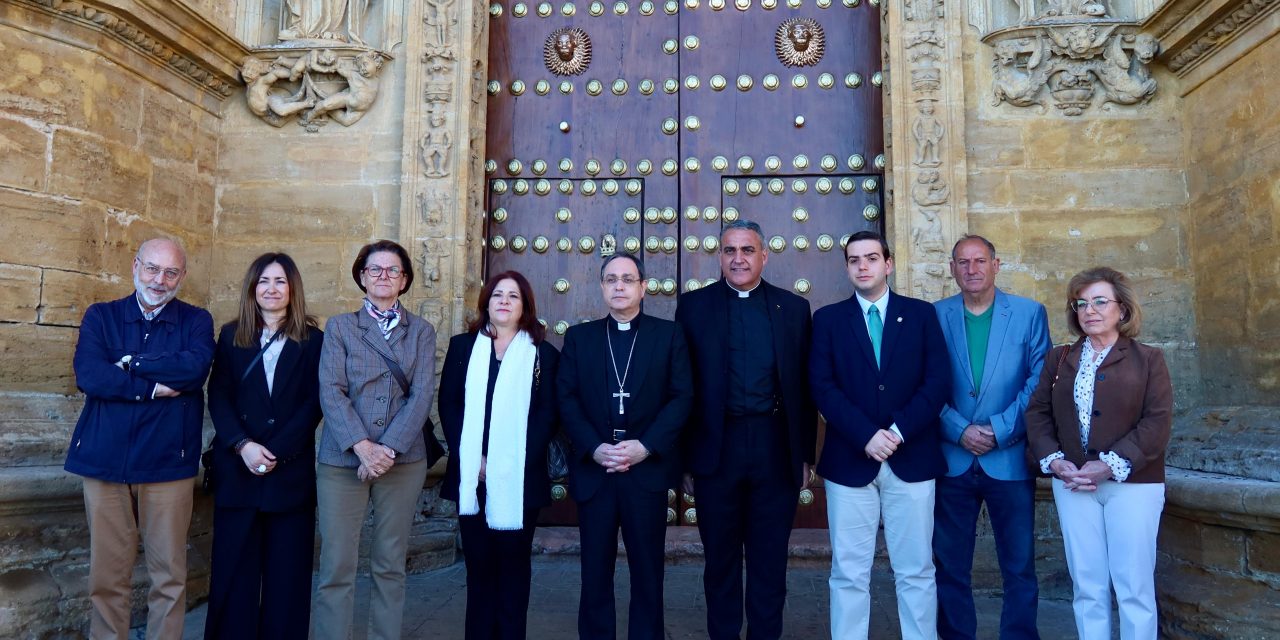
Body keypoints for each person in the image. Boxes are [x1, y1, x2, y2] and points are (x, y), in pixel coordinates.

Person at [64, 237, 214, 640]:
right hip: (103, 459)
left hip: (167, 462)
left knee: (169, 576)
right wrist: (149, 387)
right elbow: (90, 375)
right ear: (135, 266)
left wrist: (129, 364)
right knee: (107, 575)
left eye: (170, 272)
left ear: (182, 276)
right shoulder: (102, 316)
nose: (159, 280)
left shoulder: (197, 322)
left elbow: (193, 369)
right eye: (152, 268)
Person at [674, 220, 817, 640]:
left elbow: (803, 389)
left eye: (747, 250)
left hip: (775, 447)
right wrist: (685, 458)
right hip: (717, 448)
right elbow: (682, 385)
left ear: (764, 256)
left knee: (769, 559)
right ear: (720, 256)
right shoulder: (693, 307)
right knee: (719, 560)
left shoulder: (792, 309)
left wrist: (804, 453)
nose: (738, 258)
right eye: (730, 250)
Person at [808, 230, 950, 640]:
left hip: (913, 458)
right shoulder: (829, 319)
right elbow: (822, 385)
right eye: (854, 260)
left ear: (888, 264)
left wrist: (899, 431)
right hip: (851, 460)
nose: (863, 266)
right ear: (847, 267)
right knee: (849, 571)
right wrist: (866, 435)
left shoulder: (921, 314)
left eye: (871, 258)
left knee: (917, 569)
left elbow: (937, 381)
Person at [1026, 267, 1172, 640]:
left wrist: (1109, 465)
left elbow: (1156, 422)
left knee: (1133, 584)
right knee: (1087, 584)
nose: (1089, 310)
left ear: (1122, 309)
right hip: (1072, 483)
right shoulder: (1059, 359)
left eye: (1100, 301)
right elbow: (1038, 413)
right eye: (1081, 304)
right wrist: (1054, 460)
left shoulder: (1148, 359)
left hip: (1132, 484)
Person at [557, 253, 693, 640]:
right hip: (595, 469)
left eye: (628, 279)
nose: (619, 286)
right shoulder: (580, 337)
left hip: (644, 472)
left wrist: (646, 446)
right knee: (594, 571)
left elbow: (682, 397)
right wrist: (594, 448)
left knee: (648, 571)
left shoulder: (667, 335)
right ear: (601, 287)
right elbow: (566, 398)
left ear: (643, 287)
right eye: (611, 279)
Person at [314, 239, 444, 640]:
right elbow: (330, 389)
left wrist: (387, 449)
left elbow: (422, 393)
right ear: (362, 276)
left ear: (404, 280)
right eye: (375, 270)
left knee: (390, 563)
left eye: (393, 271)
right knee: (336, 564)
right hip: (342, 459)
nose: (384, 276)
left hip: (402, 462)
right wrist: (362, 446)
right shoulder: (340, 326)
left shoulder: (421, 330)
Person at [933, 235, 1051, 640]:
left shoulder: (1029, 313)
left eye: (980, 261)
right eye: (963, 262)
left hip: (1010, 459)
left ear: (996, 265)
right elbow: (921, 382)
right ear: (952, 269)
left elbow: (1038, 383)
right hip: (952, 459)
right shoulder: (933, 316)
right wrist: (959, 429)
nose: (972, 269)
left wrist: (999, 430)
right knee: (949, 566)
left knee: (1018, 566)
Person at [203, 252, 324, 639]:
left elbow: (315, 401)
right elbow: (218, 395)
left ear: (293, 289)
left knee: (287, 580)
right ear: (253, 288)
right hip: (238, 471)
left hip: (289, 473)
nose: (271, 289)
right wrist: (243, 445)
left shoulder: (314, 340)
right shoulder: (231, 335)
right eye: (264, 282)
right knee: (233, 574)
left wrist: (276, 451)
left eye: (280, 282)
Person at [439, 270, 560, 639]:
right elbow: (449, 405)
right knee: (479, 566)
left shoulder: (542, 354)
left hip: (520, 479)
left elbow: (548, 414)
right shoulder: (463, 347)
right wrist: (472, 458)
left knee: (513, 566)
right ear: (486, 303)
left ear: (525, 306)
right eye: (497, 295)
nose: (504, 301)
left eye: (513, 296)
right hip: (472, 475)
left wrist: (509, 463)